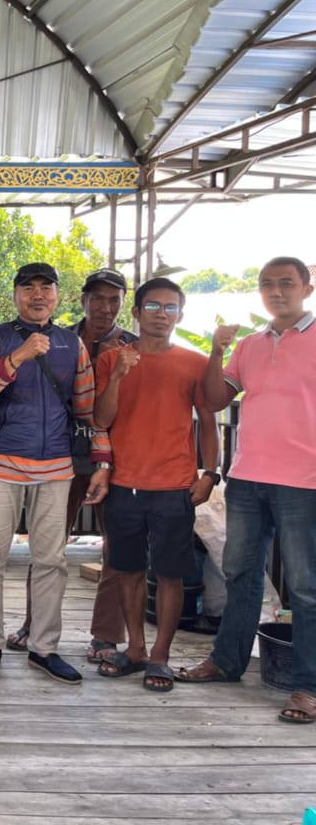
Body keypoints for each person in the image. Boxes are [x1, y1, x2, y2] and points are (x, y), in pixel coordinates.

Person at [177, 256, 316, 725]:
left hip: (304, 481)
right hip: (248, 477)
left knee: (305, 587)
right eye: (267, 284)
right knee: (240, 574)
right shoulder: (251, 346)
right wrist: (218, 351)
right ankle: (227, 662)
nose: (276, 291)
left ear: (307, 289)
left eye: (287, 283)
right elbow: (217, 399)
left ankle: (307, 686)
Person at [0, 262, 110, 685]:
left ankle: (44, 649)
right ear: (16, 295)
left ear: (58, 297)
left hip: (56, 468)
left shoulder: (71, 343)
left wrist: (101, 462)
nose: (38, 295)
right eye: (29, 288)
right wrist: (18, 357)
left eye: (46, 288)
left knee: (51, 561)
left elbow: (88, 409)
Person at [91, 278, 218, 691]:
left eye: (170, 308)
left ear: (180, 314)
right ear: (136, 312)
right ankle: (136, 649)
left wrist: (210, 473)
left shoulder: (195, 362)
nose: (161, 315)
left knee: (169, 574)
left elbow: (208, 422)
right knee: (126, 570)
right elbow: (101, 419)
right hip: (124, 482)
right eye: (152, 307)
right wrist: (117, 376)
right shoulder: (112, 360)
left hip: (174, 485)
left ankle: (160, 656)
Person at [8, 267, 139, 659]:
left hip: (113, 460)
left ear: (123, 304)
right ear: (82, 300)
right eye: (97, 298)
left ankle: (105, 636)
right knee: (46, 546)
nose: (105, 307)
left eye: (114, 300)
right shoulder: (57, 339)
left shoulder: (134, 346)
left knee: (116, 549)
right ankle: (33, 625)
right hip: (60, 456)